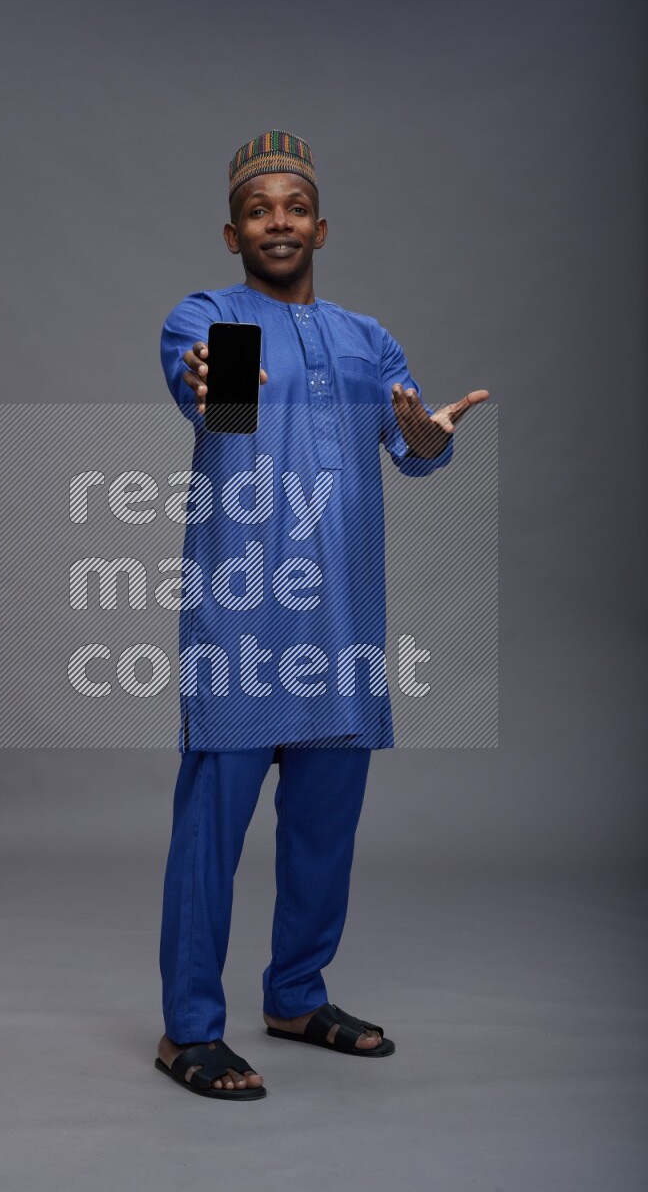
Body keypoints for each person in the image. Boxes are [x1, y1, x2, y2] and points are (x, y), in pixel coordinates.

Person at [154, 130, 489, 1100]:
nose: (278, 222)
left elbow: (413, 448)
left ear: (321, 227)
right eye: (257, 210)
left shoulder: (366, 338)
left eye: (294, 208)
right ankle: (188, 1031)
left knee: (321, 835)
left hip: (340, 631)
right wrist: (208, 378)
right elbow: (211, 397)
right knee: (209, 841)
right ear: (232, 233)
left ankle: (296, 997)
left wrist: (428, 438)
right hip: (241, 628)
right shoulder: (210, 317)